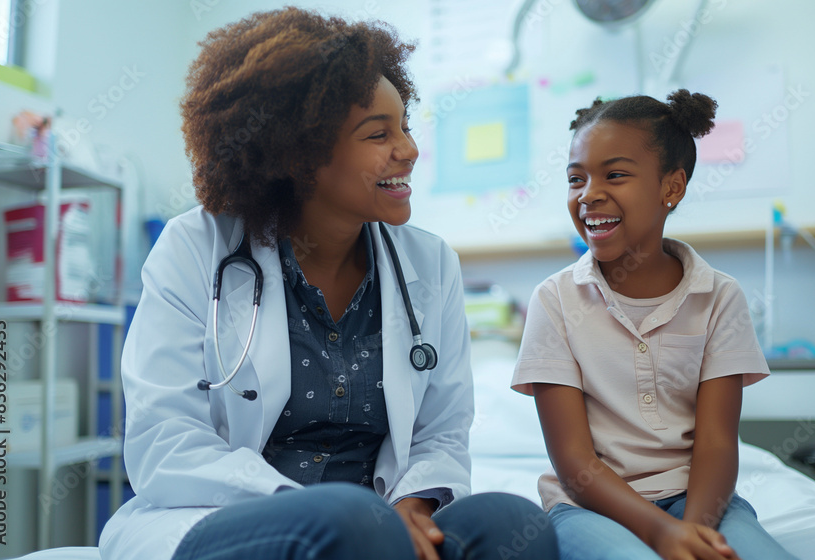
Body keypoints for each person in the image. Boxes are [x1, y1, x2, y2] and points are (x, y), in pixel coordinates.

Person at [99, 8, 557, 560]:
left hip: (376, 524)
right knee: (349, 522)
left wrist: (411, 508)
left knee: (510, 523)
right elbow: (164, 441)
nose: (409, 150)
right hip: (227, 516)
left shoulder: (431, 263)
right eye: (379, 134)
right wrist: (318, 508)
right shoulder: (196, 247)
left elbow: (442, 429)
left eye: (406, 126)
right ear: (302, 153)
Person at [510, 91, 797, 560]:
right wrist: (661, 536)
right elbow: (574, 462)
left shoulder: (719, 297)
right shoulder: (555, 300)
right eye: (575, 178)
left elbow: (717, 443)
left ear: (672, 188)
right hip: (589, 507)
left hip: (700, 501)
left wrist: (694, 531)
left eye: (615, 175)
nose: (588, 194)